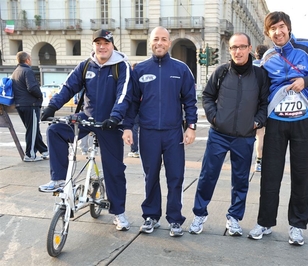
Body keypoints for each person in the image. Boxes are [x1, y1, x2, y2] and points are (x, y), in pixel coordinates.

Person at [247, 11, 308, 246]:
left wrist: (306, 82)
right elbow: (257, 87)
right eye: (273, 29)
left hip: (303, 121)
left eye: (281, 27)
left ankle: (297, 226)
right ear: (268, 33)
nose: (278, 32)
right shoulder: (267, 57)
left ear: (288, 27)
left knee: (302, 175)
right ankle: (264, 222)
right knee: (270, 174)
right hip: (276, 122)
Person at [39, 29, 133, 231]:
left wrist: (116, 117)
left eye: (105, 43)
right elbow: (67, 87)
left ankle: (119, 212)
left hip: (110, 123)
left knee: (114, 170)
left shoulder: (121, 66)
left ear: (112, 45)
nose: (102, 47)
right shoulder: (85, 66)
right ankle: (59, 180)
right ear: (93, 45)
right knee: (55, 130)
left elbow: (123, 94)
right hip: (87, 118)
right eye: (98, 43)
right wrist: (51, 107)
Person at [188, 33, 269, 236]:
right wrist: (214, 118)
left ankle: (234, 218)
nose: (237, 51)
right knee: (207, 176)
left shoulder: (260, 75)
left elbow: (264, 104)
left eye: (242, 47)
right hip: (219, 135)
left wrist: (257, 122)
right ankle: (199, 214)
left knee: (241, 180)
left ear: (250, 48)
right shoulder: (221, 72)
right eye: (234, 47)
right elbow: (207, 96)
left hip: (245, 136)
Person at [122, 26, 197, 237]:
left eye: (164, 39)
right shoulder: (140, 70)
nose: (160, 43)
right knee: (150, 176)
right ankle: (151, 216)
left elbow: (190, 101)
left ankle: (175, 220)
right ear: (150, 42)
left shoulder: (181, 70)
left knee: (175, 177)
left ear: (169, 42)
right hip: (148, 134)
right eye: (156, 39)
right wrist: (128, 127)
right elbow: (132, 104)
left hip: (173, 134)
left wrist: (190, 127)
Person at [11, 51, 49, 162]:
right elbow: (32, 88)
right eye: (30, 58)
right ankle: (30, 155)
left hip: (20, 105)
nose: (31, 60)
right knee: (32, 131)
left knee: (33, 129)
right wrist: (40, 96)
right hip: (30, 105)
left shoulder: (15, 72)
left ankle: (44, 150)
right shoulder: (27, 71)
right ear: (27, 60)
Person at [252, 44, 269, 172]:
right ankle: (259, 160)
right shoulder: (267, 67)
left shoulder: (250, 66)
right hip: (264, 103)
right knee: (261, 134)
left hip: (250, 103)